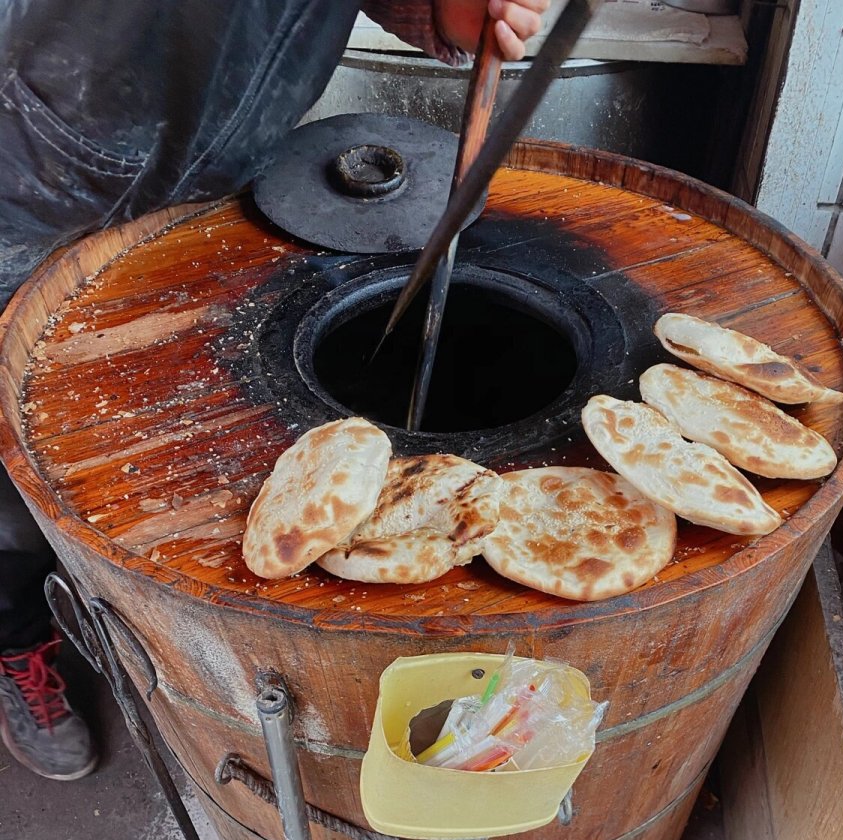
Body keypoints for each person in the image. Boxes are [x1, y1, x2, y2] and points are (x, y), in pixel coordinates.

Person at [0, 0, 548, 781]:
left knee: (173, 434)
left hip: (216, 165)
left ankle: (151, 627)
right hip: (26, 152)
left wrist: (432, 8)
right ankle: (17, 638)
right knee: (6, 473)